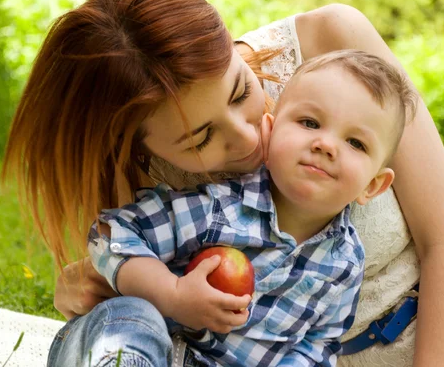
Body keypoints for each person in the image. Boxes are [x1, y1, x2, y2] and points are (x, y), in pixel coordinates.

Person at [2, 0, 444, 367]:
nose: (253, 134)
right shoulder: (143, 181)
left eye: (241, 90)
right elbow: (130, 290)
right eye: (202, 138)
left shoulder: (331, 43)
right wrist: (92, 288)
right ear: (136, 147)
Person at [87, 50, 416, 367]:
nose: (326, 145)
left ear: (373, 185)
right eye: (310, 123)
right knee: (129, 323)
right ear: (269, 135)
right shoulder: (219, 209)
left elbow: (319, 341)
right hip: (162, 350)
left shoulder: (345, 263)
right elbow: (110, 233)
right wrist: (173, 294)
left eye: (355, 143)